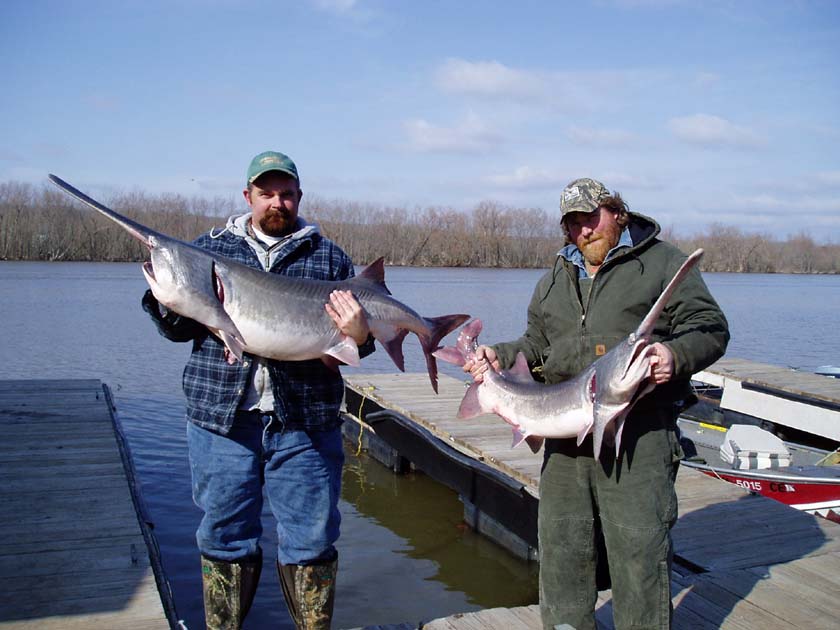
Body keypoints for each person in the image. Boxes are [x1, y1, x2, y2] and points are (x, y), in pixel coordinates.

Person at [464, 178, 729, 629]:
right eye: (572, 223)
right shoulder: (554, 279)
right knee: (564, 551)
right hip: (565, 441)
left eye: (591, 217)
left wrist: (674, 355)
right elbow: (538, 345)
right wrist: (500, 356)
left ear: (617, 212)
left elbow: (710, 327)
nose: (583, 230)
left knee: (639, 553)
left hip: (640, 435)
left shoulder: (662, 262)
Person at [142, 150, 374, 630]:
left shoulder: (328, 258)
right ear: (247, 196)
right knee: (224, 537)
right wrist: (164, 300)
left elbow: (355, 350)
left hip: (305, 424)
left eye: (286, 193)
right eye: (266, 193)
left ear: (299, 197)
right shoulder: (208, 249)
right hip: (222, 422)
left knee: (312, 541)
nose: (277, 202)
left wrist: (362, 335)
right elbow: (178, 331)